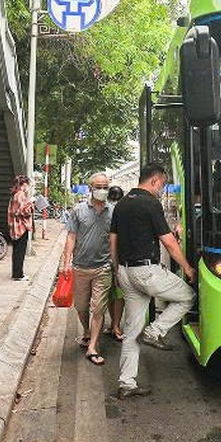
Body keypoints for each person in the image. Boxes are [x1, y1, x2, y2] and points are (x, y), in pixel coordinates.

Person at [110, 162, 196, 400]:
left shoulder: (122, 204)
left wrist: (117, 270)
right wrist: (187, 267)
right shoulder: (150, 203)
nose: (162, 189)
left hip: (125, 272)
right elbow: (168, 241)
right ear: (155, 180)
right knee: (187, 297)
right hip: (146, 272)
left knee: (131, 332)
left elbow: (113, 240)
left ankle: (126, 383)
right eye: (162, 184)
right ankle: (155, 331)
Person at [61, 173, 113, 366]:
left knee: (98, 308)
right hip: (80, 268)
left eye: (105, 187)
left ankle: (92, 347)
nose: (102, 190)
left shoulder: (112, 211)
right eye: (99, 186)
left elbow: (114, 239)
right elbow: (71, 237)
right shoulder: (78, 210)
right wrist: (66, 263)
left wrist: (116, 264)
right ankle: (86, 330)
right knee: (81, 308)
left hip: (103, 268)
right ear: (90, 188)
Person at [106, 185, 125, 341]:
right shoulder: (118, 212)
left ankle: (115, 324)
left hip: (115, 258)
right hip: (112, 258)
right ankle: (115, 324)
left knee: (114, 294)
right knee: (114, 294)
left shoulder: (109, 211)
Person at [7, 175, 34, 281]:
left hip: (15, 227)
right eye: (28, 185)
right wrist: (31, 203)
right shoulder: (21, 195)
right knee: (20, 252)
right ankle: (18, 275)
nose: (28, 187)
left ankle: (16, 273)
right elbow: (22, 211)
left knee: (16, 251)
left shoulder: (15, 194)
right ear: (24, 184)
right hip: (21, 227)